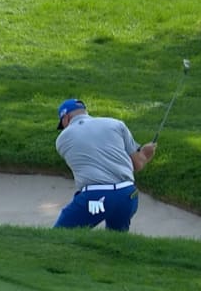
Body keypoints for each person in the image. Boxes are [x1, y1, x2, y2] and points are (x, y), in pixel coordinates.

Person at [53, 98, 157, 231]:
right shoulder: (116, 124)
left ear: (66, 118)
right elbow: (138, 164)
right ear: (85, 112)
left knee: (59, 235)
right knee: (116, 241)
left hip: (95, 198)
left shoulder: (62, 140)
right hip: (128, 195)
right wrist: (146, 153)